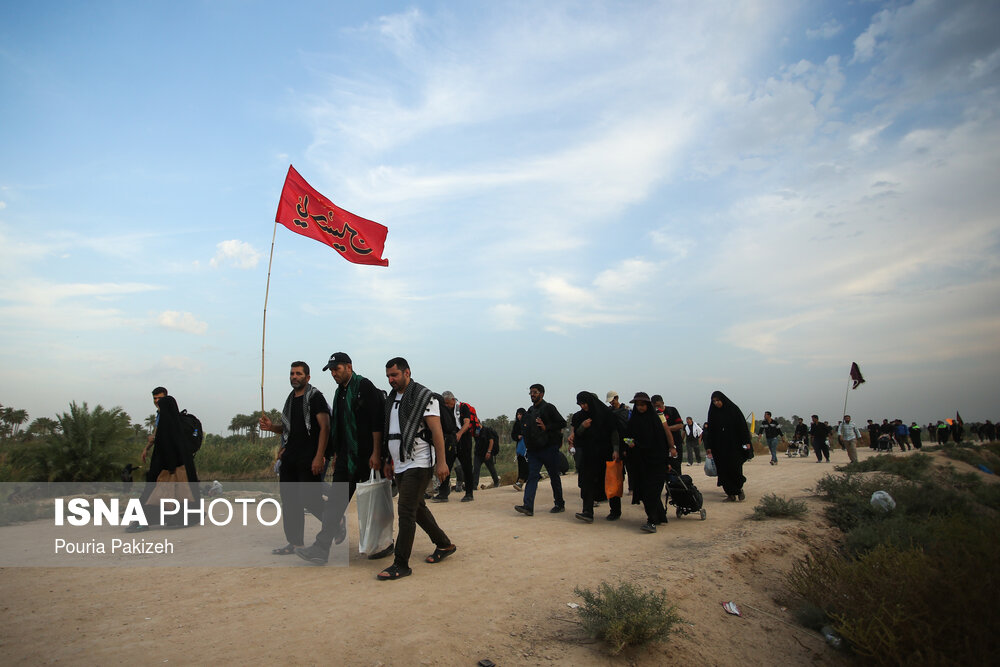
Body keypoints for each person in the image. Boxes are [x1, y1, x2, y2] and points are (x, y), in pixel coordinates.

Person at [295, 352, 388, 565]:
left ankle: (384, 543)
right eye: (331, 370)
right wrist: (337, 454)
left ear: (349, 366)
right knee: (335, 505)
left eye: (337, 369)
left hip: (366, 457)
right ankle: (321, 548)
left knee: (372, 506)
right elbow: (338, 425)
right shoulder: (340, 392)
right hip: (346, 459)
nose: (334, 373)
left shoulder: (364, 386)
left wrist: (376, 453)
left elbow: (376, 423)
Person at [377, 357, 455, 580]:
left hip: (419, 462)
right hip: (399, 462)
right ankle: (444, 545)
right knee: (417, 508)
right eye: (388, 376)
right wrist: (387, 460)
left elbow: (437, 431)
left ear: (407, 373)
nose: (391, 380)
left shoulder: (424, 397)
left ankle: (401, 564)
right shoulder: (391, 399)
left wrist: (442, 462)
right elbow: (390, 431)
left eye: (395, 375)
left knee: (406, 511)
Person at [259, 361, 330, 555]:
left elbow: (325, 426)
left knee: (309, 497)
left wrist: (320, 456)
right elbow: (288, 428)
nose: (294, 377)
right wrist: (271, 427)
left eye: (298, 373)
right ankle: (295, 543)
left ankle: (334, 520)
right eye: (292, 373)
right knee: (290, 502)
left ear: (307, 377)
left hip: (310, 456)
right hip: (290, 456)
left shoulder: (315, 398)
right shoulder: (290, 400)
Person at [128, 395, 200, 532]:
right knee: (181, 496)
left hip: (166, 469)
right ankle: (178, 519)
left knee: (152, 496)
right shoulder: (179, 425)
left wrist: (166, 467)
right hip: (182, 469)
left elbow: (165, 449)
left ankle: (141, 522)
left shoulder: (166, 426)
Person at [514, 384, 567, 517]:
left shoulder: (549, 408)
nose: (532, 394)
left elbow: (562, 423)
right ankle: (528, 506)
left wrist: (546, 427)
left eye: (535, 392)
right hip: (534, 450)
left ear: (542, 394)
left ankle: (559, 504)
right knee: (532, 477)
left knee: (554, 476)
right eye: (531, 392)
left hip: (549, 448)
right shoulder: (530, 410)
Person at [569, 391, 620, 523]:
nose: (583, 407)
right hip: (589, 454)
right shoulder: (580, 416)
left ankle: (615, 510)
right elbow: (578, 435)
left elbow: (614, 432)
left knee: (610, 481)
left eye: (584, 403)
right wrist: (583, 426)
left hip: (606, 453)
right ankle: (587, 512)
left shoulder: (606, 414)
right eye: (580, 404)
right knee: (587, 482)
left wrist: (616, 450)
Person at [625, 392, 672, 531]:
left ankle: (651, 521)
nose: (640, 407)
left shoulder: (654, 421)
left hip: (656, 462)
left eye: (642, 405)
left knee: (651, 492)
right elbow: (627, 437)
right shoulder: (633, 421)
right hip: (640, 463)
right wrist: (630, 443)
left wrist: (667, 460)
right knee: (645, 492)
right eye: (638, 405)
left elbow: (661, 442)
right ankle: (659, 516)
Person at [704, 391, 751, 502]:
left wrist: (746, 442)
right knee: (723, 470)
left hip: (734, 446)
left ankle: (738, 489)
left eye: (718, 400)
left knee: (734, 468)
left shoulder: (733, 410)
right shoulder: (713, 413)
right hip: (719, 447)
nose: (716, 403)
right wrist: (709, 446)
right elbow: (710, 431)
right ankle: (730, 494)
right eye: (714, 401)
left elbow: (742, 427)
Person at [439, 392, 475, 502]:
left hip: (464, 440)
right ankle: (443, 493)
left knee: (467, 466)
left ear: (453, 400)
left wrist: (459, 434)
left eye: (448, 403)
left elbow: (467, 423)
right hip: (450, 441)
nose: (447, 406)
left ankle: (469, 493)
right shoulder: (444, 410)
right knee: (447, 465)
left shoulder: (463, 407)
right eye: (445, 404)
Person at [140, 386, 168, 466]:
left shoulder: (167, 414)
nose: (157, 401)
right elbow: (155, 434)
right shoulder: (159, 413)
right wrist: (146, 449)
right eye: (155, 398)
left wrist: (154, 438)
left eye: (159, 398)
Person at [472, 424, 501, 490]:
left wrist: (489, 452)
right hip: (478, 454)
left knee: (491, 468)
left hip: (486, 454)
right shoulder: (475, 431)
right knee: (476, 469)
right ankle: (474, 485)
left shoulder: (487, 430)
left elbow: (491, 441)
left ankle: (496, 482)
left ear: (479, 423)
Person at [511, 407, 529, 491]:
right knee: (521, 464)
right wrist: (517, 436)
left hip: (528, 447)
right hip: (520, 448)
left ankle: (521, 481)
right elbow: (513, 434)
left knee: (527, 464)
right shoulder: (516, 424)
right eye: (517, 414)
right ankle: (520, 481)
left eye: (520, 414)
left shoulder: (528, 422)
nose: (519, 416)